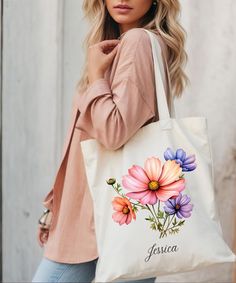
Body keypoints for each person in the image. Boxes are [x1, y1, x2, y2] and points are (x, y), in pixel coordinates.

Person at [32, 0, 188, 282]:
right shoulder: (118, 45)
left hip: (101, 220)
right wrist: (56, 206)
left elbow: (113, 131)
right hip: (121, 220)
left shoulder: (138, 42)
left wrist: (96, 77)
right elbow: (86, 144)